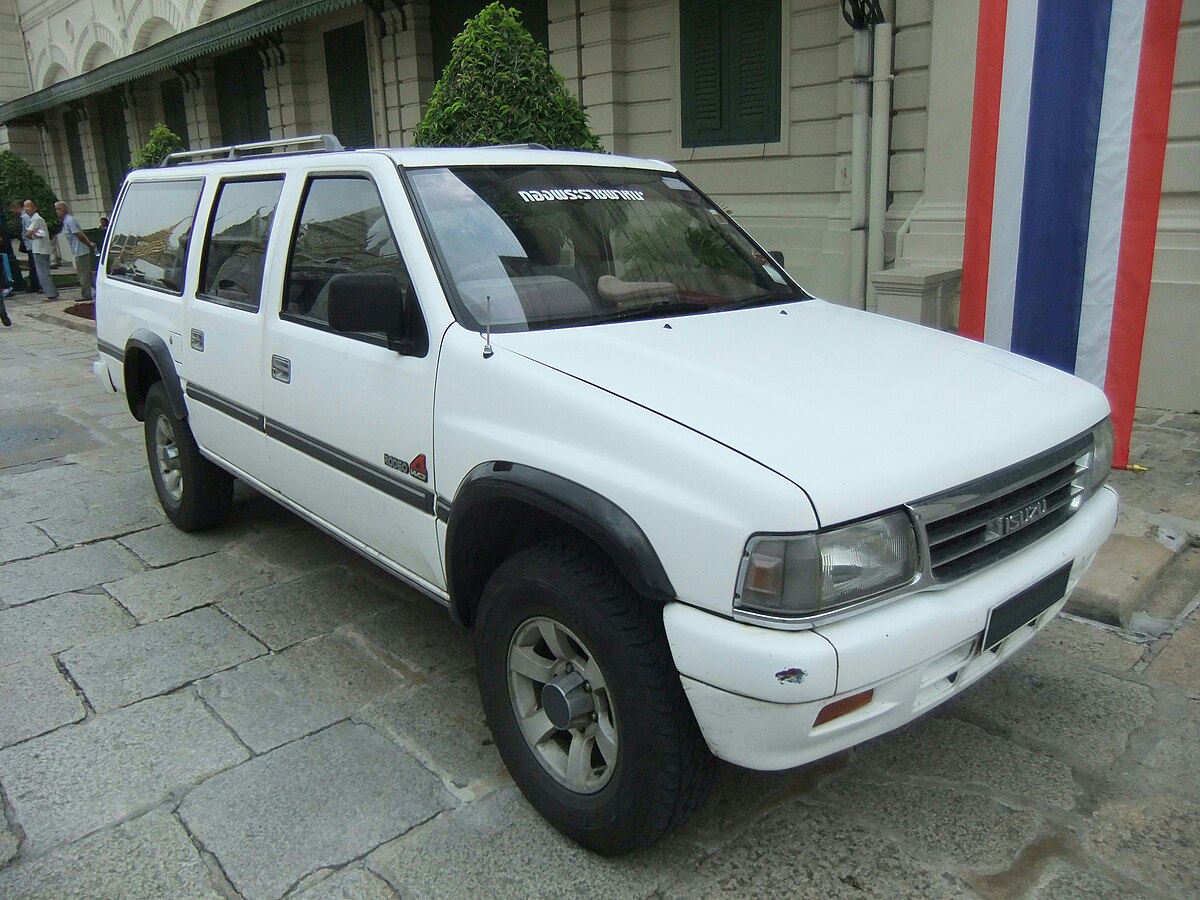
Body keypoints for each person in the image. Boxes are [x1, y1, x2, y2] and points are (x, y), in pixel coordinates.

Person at [55, 201, 97, 301]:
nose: (57, 212)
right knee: (87, 274)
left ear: (65, 209)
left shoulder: (70, 221)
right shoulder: (66, 221)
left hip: (80, 251)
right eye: (56, 209)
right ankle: (97, 291)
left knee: (83, 274)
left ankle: (86, 295)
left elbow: (79, 234)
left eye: (59, 209)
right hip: (78, 250)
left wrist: (89, 243)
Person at [23, 200, 58, 301]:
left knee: (42, 272)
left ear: (34, 208)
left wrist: (32, 234)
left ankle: (50, 293)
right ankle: (52, 292)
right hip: (39, 248)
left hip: (40, 249)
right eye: (25, 206)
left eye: (28, 206)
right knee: (43, 272)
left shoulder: (36, 219)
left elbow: (28, 233)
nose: (26, 209)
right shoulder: (34, 219)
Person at [10, 200, 38, 292]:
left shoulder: (25, 217)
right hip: (29, 244)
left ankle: (35, 285)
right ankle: (34, 284)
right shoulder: (24, 217)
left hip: (31, 244)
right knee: (32, 264)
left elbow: (28, 230)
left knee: (33, 265)